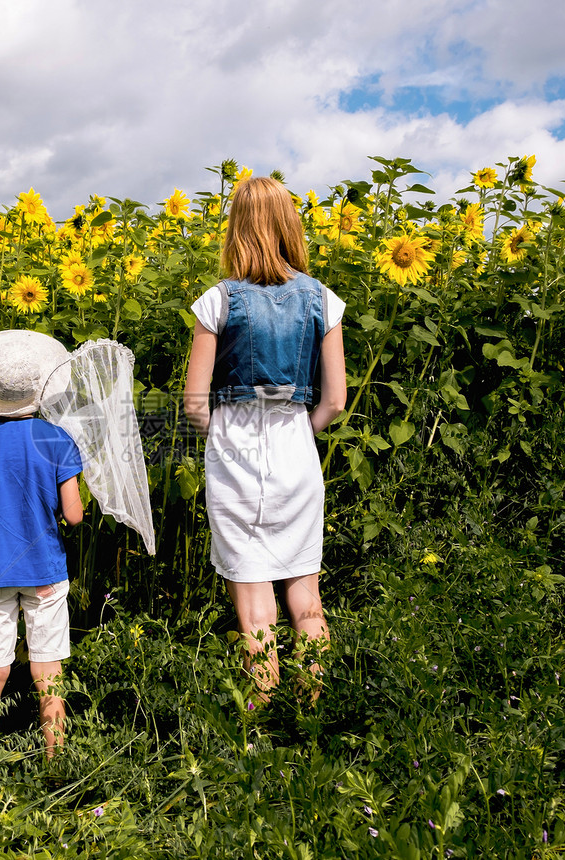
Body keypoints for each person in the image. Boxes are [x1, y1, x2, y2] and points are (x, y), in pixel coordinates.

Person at [183, 176, 347, 701]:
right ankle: (310, 718)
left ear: (238, 228)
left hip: (234, 450)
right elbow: (336, 400)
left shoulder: (218, 300)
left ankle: (260, 721)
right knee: (306, 596)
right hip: (296, 450)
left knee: (255, 606)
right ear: (290, 225)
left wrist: (223, 440)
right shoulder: (323, 298)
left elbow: (193, 402)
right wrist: (302, 430)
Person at [0, 330, 83, 755]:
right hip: (43, 569)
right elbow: (75, 515)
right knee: (48, 669)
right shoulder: (56, 439)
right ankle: (55, 757)